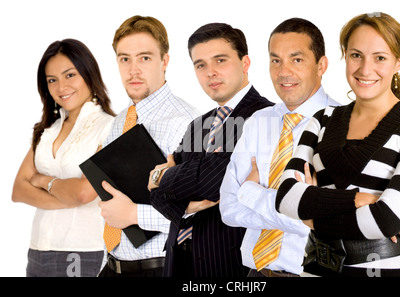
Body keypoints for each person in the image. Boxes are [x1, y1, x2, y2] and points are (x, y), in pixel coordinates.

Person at [275, 12, 400, 277]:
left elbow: (387, 219)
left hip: (380, 269)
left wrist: (313, 210)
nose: (365, 69)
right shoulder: (322, 120)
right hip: (314, 267)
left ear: (399, 62)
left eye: (380, 58)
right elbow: (284, 198)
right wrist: (361, 199)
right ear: (345, 55)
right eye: (356, 55)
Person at [147, 23, 274, 277]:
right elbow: (156, 196)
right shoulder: (199, 124)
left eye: (220, 60)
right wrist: (182, 204)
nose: (210, 72)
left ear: (245, 63)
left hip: (227, 264)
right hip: (179, 263)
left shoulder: (265, 116)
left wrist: (160, 177)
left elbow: (213, 182)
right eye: (200, 64)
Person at [220, 18, 340, 277]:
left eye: (296, 60)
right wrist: (296, 213)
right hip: (255, 274)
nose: (284, 72)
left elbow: (327, 222)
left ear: (321, 65)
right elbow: (228, 209)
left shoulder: (343, 124)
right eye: (276, 60)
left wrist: (251, 193)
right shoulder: (259, 121)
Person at [97, 15, 199, 277]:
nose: (133, 70)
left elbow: (202, 214)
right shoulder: (119, 122)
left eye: (144, 58)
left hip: (158, 269)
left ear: (164, 61)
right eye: (125, 59)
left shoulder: (188, 123)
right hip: (111, 265)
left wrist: (134, 215)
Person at [12, 39, 115, 277]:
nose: (61, 87)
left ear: (89, 74)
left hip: (81, 250)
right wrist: (68, 195)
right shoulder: (46, 130)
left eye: (70, 75)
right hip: (38, 248)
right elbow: (18, 190)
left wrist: (42, 181)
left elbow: (83, 193)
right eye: (52, 80)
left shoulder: (110, 128)